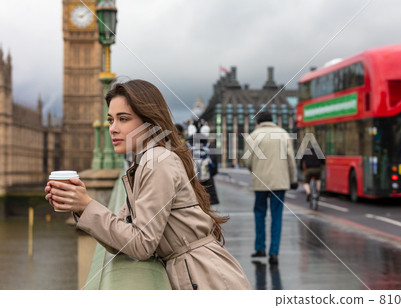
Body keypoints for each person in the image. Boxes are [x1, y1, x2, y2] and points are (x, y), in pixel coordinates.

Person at [45, 80, 250, 290]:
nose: (113, 129)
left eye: (123, 119)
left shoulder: (157, 162)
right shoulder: (144, 163)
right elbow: (122, 237)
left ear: (149, 122)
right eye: (110, 120)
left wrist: (87, 205)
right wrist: (80, 206)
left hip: (208, 279)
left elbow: (141, 244)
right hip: (200, 272)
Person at [243, 111, 297, 265]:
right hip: (280, 182)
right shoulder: (283, 134)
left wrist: (256, 170)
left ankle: (260, 248)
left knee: (259, 214)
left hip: (260, 182)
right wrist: (293, 179)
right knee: (276, 216)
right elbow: (291, 159)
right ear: (272, 121)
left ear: (258, 122)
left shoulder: (253, 136)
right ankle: (274, 252)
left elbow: (246, 161)